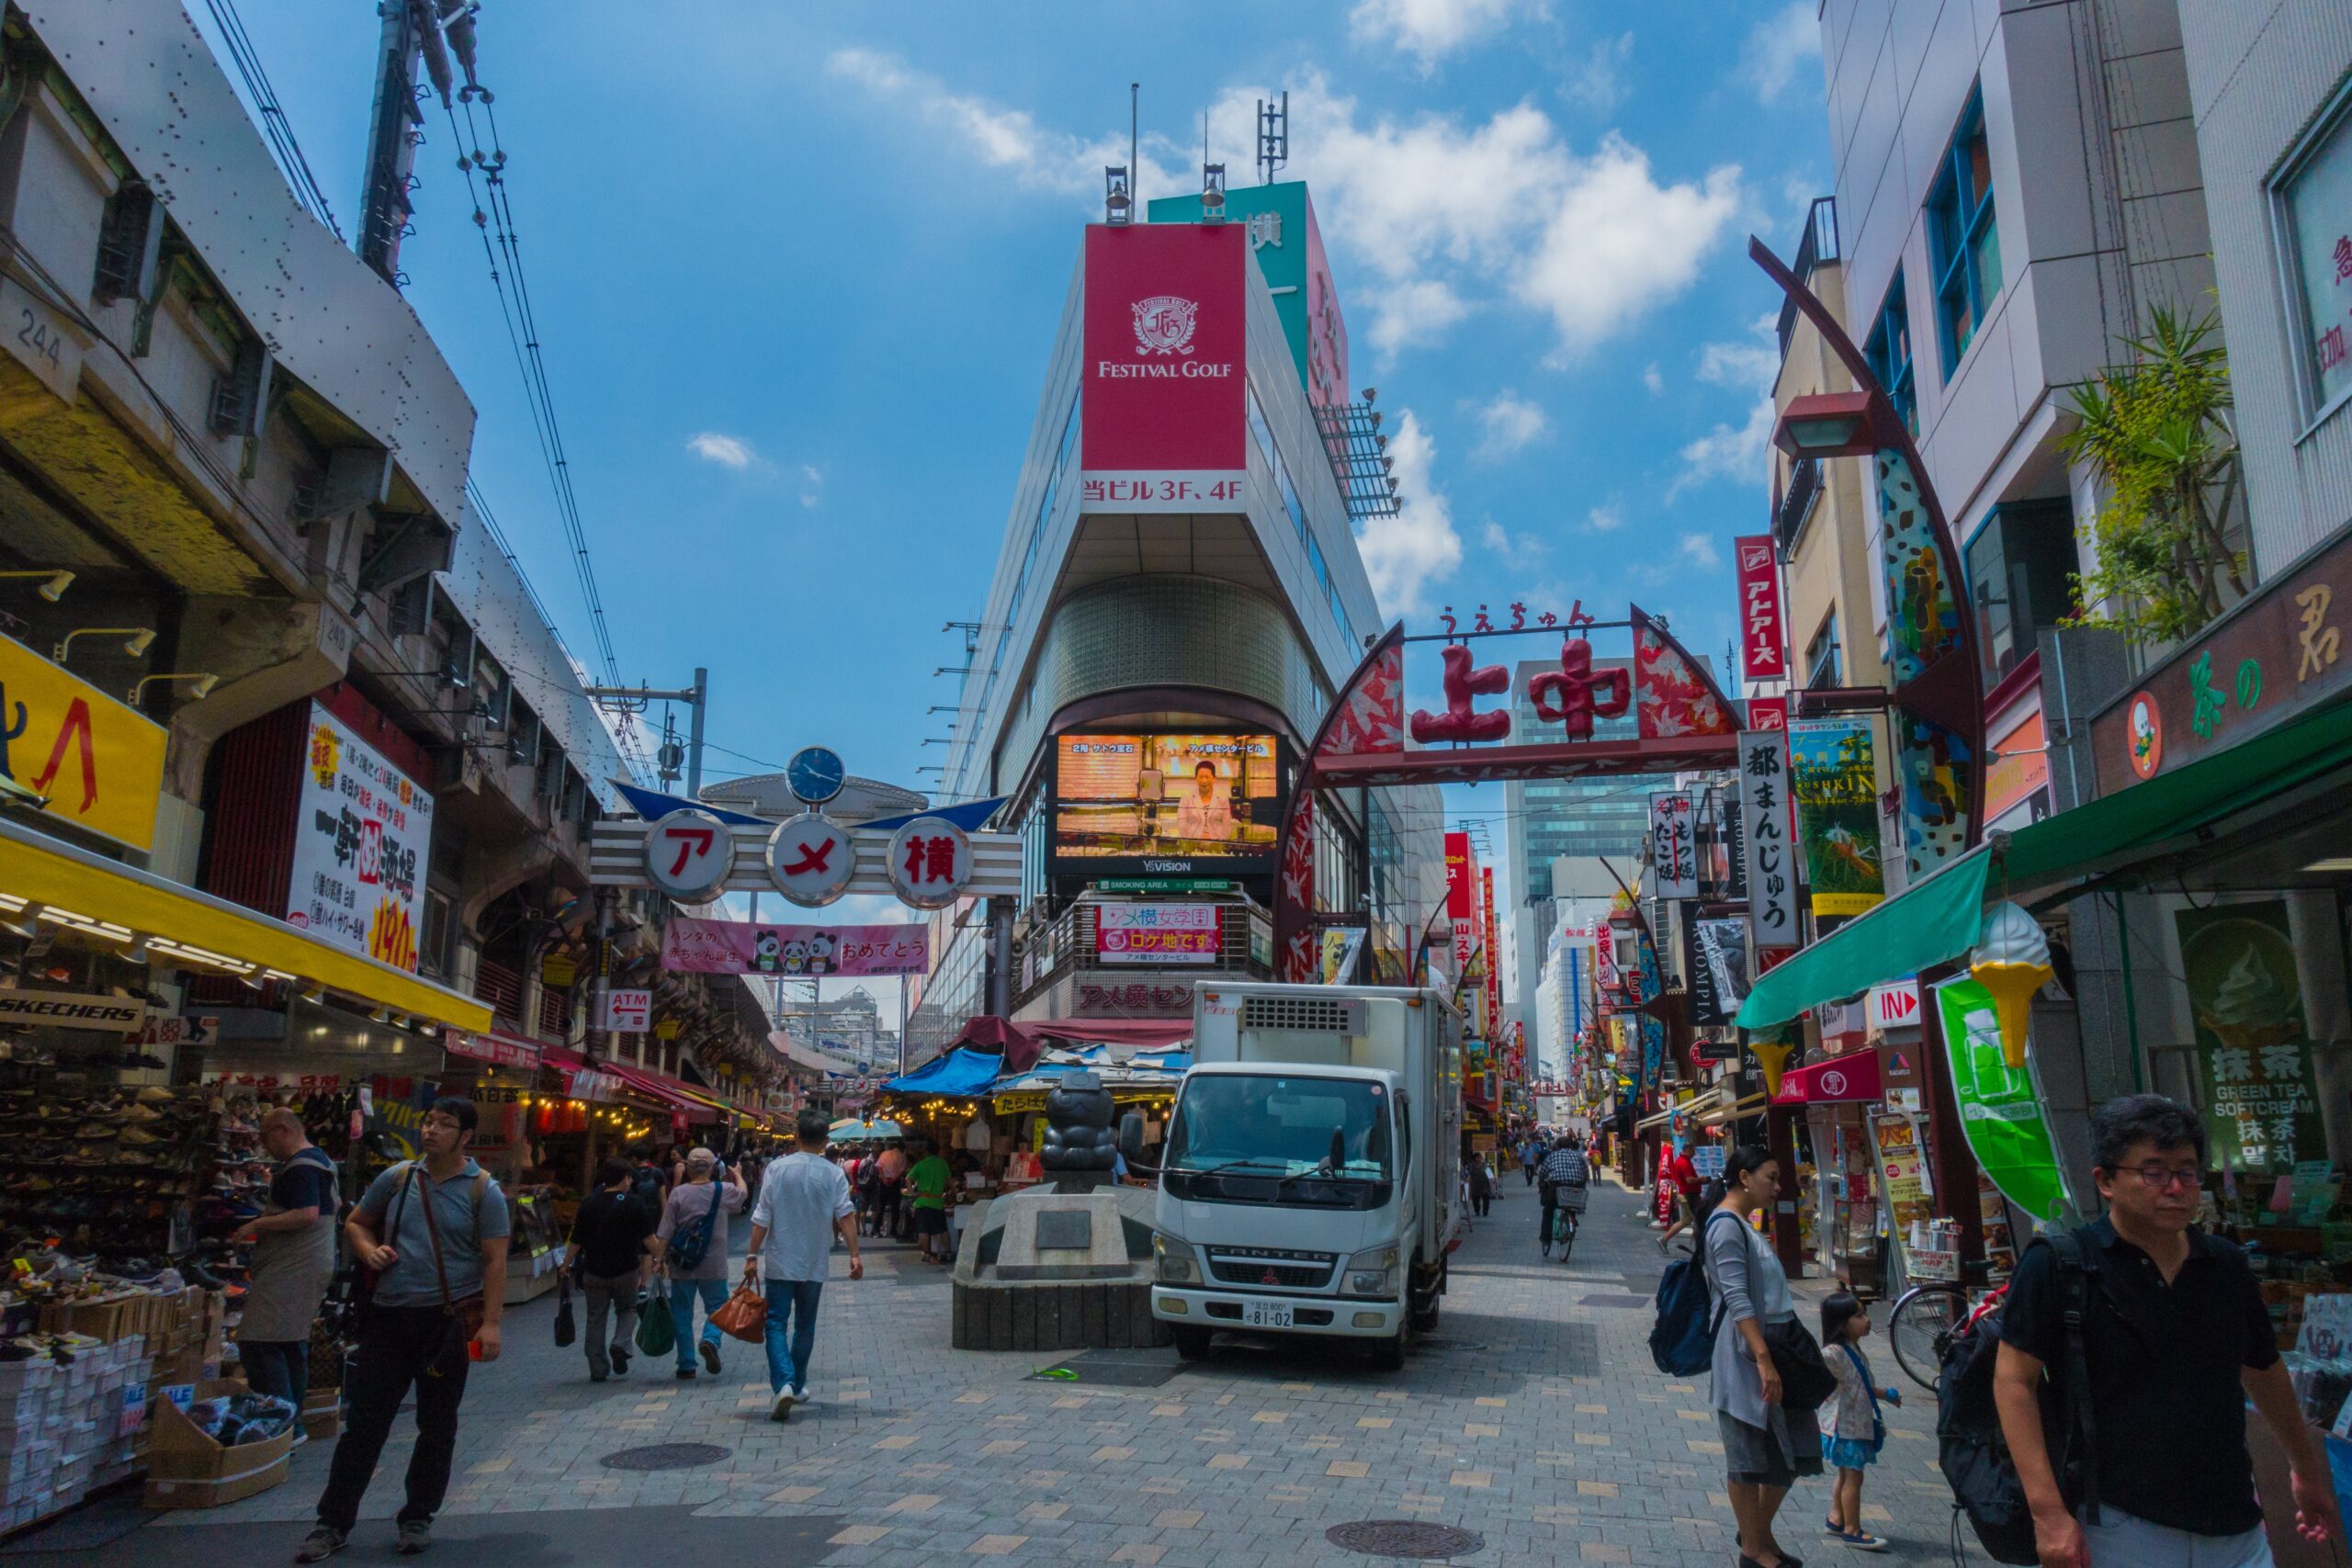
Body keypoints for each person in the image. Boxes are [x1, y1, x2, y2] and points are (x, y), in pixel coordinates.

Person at [1995, 1094, 2340, 1568]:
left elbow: (2263, 1369)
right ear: (2107, 1181)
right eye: (2154, 1172)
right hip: (2118, 1526)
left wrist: (2304, 1466)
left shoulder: (2225, 1265)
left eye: (2188, 1171)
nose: (2176, 1187)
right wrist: (2048, 1514)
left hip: (2236, 1528)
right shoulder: (2062, 1264)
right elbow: (2014, 1382)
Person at [300, 1098, 507, 1562]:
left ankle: (417, 1516)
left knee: (437, 1426)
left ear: (465, 1136)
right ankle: (332, 1523)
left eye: (445, 1125)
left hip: (447, 1324)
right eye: (428, 1121)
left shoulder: (483, 1191)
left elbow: (495, 1261)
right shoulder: (396, 1179)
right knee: (365, 1424)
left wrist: (491, 1324)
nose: (431, 1130)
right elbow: (355, 1223)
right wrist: (367, 1249)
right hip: (388, 1318)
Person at [1708, 1143, 1819, 1568]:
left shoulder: (1744, 1224)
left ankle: (1757, 1533)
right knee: (1750, 1454)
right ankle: (1753, 1548)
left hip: (1778, 1346)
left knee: (1790, 1450)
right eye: (1770, 1178)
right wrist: (1763, 1359)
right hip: (1749, 1353)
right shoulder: (1726, 1226)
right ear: (1744, 1178)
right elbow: (1737, 1297)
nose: (1776, 1187)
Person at [743, 1109, 863, 1421]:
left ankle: (784, 1383)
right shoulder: (833, 1173)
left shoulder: (777, 1169)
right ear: (825, 1141)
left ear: (796, 1136)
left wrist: (752, 1255)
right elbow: (846, 1215)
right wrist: (854, 1255)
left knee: (776, 1324)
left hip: (781, 1260)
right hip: (814, 1263)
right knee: (805, 1327)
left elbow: (761, 1217)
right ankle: (795, 1384)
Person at [232, 1107, 339, 1406]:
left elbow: (307, 1214)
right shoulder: (322, 1161)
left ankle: (277, 1418)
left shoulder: (301, 1166)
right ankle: (291, 1425)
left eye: (265, 1136)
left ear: (283, 1130)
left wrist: (256, 1224)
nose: (264, 1144)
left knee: (258, 1342)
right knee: (290, 1342)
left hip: (292, 1267)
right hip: (311, 1263)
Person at [652, 1146, 746, 1380]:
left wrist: (658, 1260)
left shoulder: (678, 1193)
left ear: (689, 1169)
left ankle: (686, 1364)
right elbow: (743, 1196)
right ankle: (710, 1338)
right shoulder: (722, 1190)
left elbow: (665, 1231)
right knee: (719, 1307)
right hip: (713, 1264)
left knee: (681, 1313)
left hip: (681, 1263)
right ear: (713, 1168)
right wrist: (738, 1175)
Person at [1820, 1291, 1900, 1552]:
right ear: (1842, 1324)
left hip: (1849, 1425)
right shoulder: (1835, 1353)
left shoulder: (1853, 1349)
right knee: (1854, 1478)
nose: (1867, 1319)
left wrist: (1885, 1394)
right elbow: (1818, 1362)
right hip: (1847, 1427)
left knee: (1845, 1474)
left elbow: (1862, 1384)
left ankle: (1836, 1517)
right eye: (1859, 1315)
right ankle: (1852, 1530)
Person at [564, 1156, 654, 1382]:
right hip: (625, 1269)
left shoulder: (588, 1203)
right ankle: (620, 1342)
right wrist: (661, 1258)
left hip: (593, 1271)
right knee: (627, 1309)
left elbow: (576, 1239)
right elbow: (648, 1238)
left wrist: (565, 1264)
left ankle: (597, 1368)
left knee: (595, 1317)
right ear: (625, 1178)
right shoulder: (634, 1203)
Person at [1536, 1134, 1589, 1257]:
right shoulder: (1578, 1155)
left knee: (1548, 1211)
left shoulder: (1552, 1156)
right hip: (1575, 1188)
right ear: (1570, 1145)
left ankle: (1546, 1238)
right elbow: (1585, 1171)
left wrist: (1541, 1182)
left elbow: (1543, 1171)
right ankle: (1571, 1222)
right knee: (1571, 1206)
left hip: (1557, 1188)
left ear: (1557, 1146)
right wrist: (1584, 1180)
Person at [906, 1138, 955, 1263]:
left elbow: (908, 1179)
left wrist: (913, 1193)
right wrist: (953, 1192)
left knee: (923, 1231)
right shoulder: (942, 1163)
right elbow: (949, 1181)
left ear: (926, 1152)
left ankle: (927, 1254)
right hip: (937, 1202)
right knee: (942, 1230)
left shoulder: (921, 1164)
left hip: (922, 1202)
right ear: (938, 1152)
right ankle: (948, 1253)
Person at [1169, 759, 1235, 840]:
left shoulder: (1223, 798)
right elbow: (1181, 822)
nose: (1204, 781)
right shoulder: (1187, 797)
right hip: (1191, 842)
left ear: (1214, 778)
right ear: (1196, 778)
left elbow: (1226, 825)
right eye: (1201, 777)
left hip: (1216, 844)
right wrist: (1189, 841)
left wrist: (1219, 842)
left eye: (1207, 777)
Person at [874, 1139, 908, 1240]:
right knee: (895, 1207)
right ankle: (893, 1230)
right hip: (895, 1183)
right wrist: (893, 1179)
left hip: (883, 1182)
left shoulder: (884, 1153)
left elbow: (879, 1167)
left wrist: (884, 1179)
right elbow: (902, 1171)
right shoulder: (902, 1156)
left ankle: (876, 1230)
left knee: (881, 1206)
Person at [1466, 1151, 1494, 1218]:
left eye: (1480, 1158)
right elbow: (1470, 1175)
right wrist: (1468, 1180)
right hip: (1475, 1185)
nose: (1479, 1159)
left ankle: (1485, 1211)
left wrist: (1492, 1181)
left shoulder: (1484, 1165)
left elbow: (1490, 1175)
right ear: (1474, 1159)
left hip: (1485, 1184)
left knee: (1486, 1198)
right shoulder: (1472, 1166)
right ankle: (1477, 1210)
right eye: (1477, 1158)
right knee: (1475, 1199)